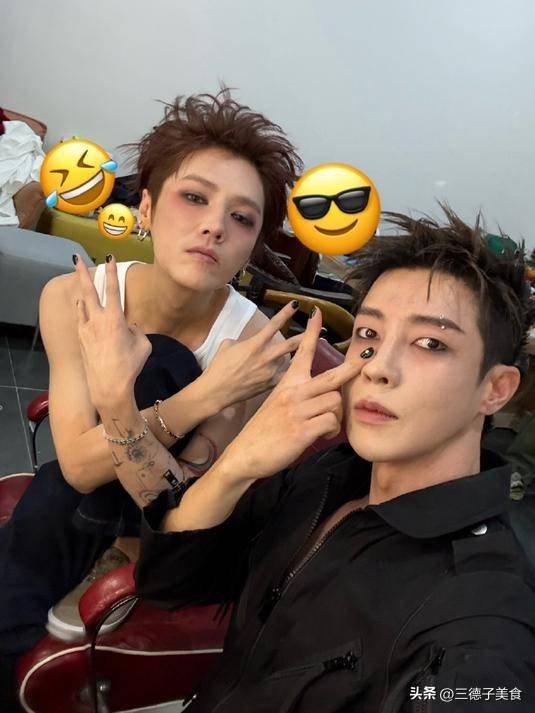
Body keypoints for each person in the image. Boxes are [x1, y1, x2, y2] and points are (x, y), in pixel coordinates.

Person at [134, 207, 535, 712]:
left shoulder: (481, 620)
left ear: (496, 389)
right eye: (369, 335)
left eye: (430, 343)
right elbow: (169, 584)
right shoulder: (329, 474)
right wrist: (237, 465)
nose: (378, 368)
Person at [0, 89, 303, 705]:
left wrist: (141, 400)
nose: (215, 225)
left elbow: (179, 496)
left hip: (168, 528)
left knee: (162, 360)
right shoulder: (72, 297)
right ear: (144, 206)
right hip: (79, 495)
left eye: (242, 218)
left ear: (252, 246)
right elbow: (78, 465)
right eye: (194, 197)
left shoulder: (251, 343)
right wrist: (206, 394)